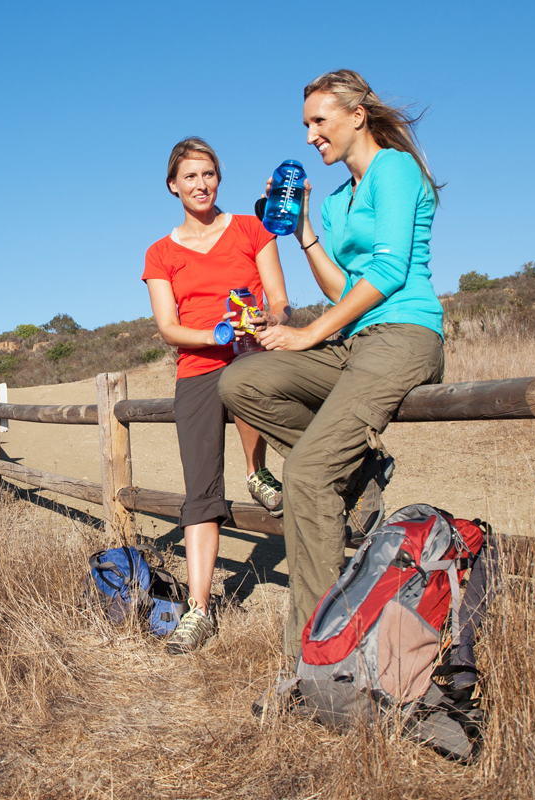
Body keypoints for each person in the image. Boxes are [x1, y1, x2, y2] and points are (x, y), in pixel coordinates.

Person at [218, 70, 446, 667]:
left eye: (320, 121)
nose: (311, 135)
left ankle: (317, 657)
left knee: (307, 476)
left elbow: (390, 271)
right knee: (241, 380)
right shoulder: (341, 196)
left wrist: (312, 331)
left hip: (403, 334)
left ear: (356, 116)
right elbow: (342, 283)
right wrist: (304, 231)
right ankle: (359, 467)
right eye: (306, 125)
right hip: (354, 339)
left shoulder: (393, 169)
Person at [142, 137, 291, 654]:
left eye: (208, 174)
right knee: (200, 491)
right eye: (190, 177)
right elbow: (168, 327)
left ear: (218, 179)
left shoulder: (252, 228)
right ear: (172, 186)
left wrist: (258, 325)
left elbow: (281, 302)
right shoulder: (160, 253)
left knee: (247, 372)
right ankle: (200, 610)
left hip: (252, 354)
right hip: (197, 367)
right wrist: (217, 336)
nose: (201, 184)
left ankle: (257, 471)